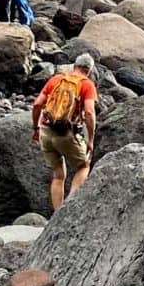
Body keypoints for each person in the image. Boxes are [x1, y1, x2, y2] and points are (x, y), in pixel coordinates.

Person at [31, 53, 101, 211]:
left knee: (58, 175)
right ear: (88, 70)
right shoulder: (86, 84)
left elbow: (37, 105)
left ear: (74, 66)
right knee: (84, 165)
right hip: (66, 134)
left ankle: (57, 214)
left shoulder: (56, 79)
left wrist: (35, 128)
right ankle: (70, 205)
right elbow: (89, 112)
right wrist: (90, 139)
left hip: (46, 131)